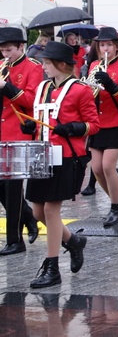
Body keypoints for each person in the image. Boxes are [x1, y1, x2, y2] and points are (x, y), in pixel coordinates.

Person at [20, 40, 100, 288]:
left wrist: (75, 128)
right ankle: (73, 242)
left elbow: (94, 124)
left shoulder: (80, 90)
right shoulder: (43, 87)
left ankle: (52, 267)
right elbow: (39, 117)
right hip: (39, 154)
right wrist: (31, 126)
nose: (43, 67)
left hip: (65, 157)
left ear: (62, 65)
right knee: (37, 212)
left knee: (52, 211)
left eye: (47, 63)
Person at [87, 27, 118, 227]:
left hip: (116, 122)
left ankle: (115, 207)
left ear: (116, 47)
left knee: (108, 166)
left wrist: (110, 85)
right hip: (96, 123)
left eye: (109, 45)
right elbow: (88, 95)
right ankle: (117, 201)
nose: (105, 48)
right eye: (101, 45)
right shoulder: (93, 65)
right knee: (96, 168)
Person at [0, 26, 41, 256]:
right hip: (1, 132)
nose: (5, 55)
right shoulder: (1, 66)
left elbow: (32, 100)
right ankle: (28, 216)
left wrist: (7, 87)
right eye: (2, 51)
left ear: (21, 47)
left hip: (18, 133)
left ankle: (15, 241)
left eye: (9, 50)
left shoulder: (32, 67)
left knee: (13, 189)